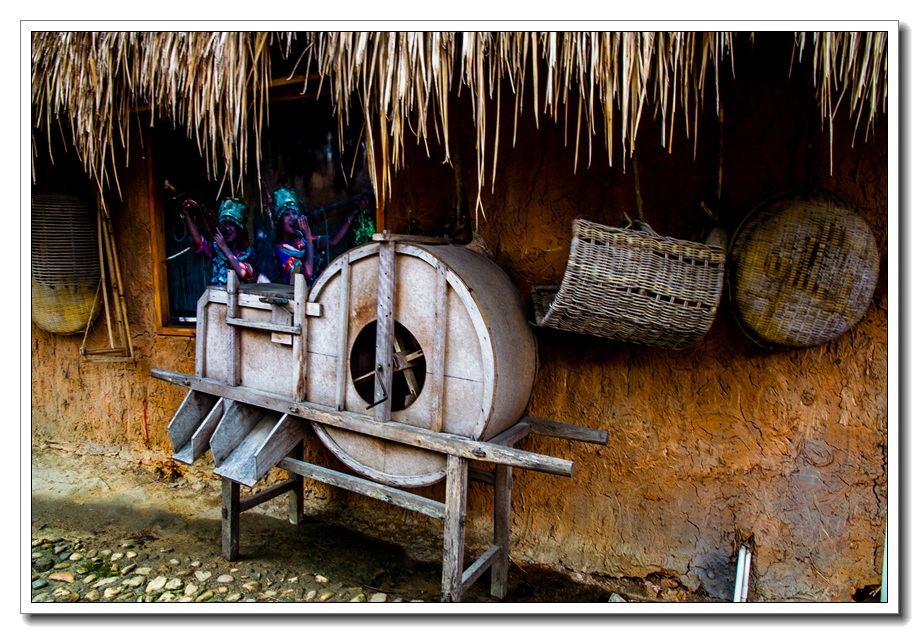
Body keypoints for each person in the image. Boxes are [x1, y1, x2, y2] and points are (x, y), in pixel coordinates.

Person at [273, 186, 368, 285]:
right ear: (279, 220)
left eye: (294, 213)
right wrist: (308, 236)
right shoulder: (281, 251)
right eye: (286, 214)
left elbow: (332, 240)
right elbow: (308, 272)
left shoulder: (300, 239)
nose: (292, 218)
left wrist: (352, 215)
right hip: (297, 293)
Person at [184, 197, 255, 286]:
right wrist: (187, 216)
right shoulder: (216, 249)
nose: (227, 228)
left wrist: (225, 248)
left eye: (231, 224)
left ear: (238, 228)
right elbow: (199, 242)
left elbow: (244, 273)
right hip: (217, 294)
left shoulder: (246, 252)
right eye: (224, 224)